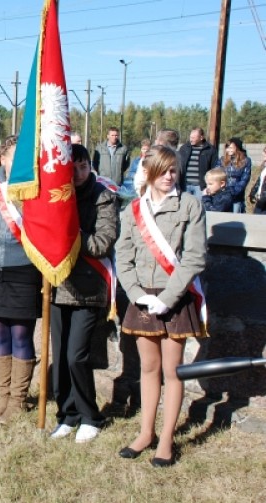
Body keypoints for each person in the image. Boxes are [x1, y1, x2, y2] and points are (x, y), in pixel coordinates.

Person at [115, 145, 206, 467]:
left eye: (174, 170)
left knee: (173, 370)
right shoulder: (133, 211)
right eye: (164, 170)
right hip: (143, 297)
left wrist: (166, 299)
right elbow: (123, 257)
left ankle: (166, 438)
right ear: (150, 172)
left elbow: (195, 256)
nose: (170, 176)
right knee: (148, 368)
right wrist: (138, 294)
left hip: (175, 297)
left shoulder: (190, 206)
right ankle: (145, 433)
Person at [49, 144, 119, 442]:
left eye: (82, 166)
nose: (77, 173)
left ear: (90, 165)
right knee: (60, 356)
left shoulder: (104, 197)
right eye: (71, 167)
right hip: (58, 285)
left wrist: (69, 234)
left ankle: (91, 415)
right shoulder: (58, 196)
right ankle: (68, 414)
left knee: (77, 355)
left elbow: (103, 242)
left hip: (88, 287)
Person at [0, 135, 41, 422]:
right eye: (13, 157)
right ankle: (2, 396)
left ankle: (18, 399)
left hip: (22, 269)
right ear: (2, 159)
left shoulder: (35, 190)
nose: (17, 163)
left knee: (20, 334)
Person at [215, 137, 251, 214]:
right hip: (223, 194)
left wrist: (233, 192)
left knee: (236, 216)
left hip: (237, 196)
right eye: (227, 147)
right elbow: (217, 174)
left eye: (231, 147)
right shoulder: (222, 160)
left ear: (237, 148)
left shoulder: (246, 160)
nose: (229, 149)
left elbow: (245, 179)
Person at [178, 127, 217, 198]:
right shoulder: (184, 148)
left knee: (200, 206)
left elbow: (213, 168)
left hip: (200, 186)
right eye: (190, 137)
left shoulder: (210, 150)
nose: (191, 139)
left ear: (201, 137)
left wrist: (209, 185)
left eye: (193, 137)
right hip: (185, 185)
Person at [248, 146, 266, 214]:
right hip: (260, 201)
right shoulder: (264, 166)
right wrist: (253, 192)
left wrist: (262, 199)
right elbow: (260, 181)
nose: (263, 153)